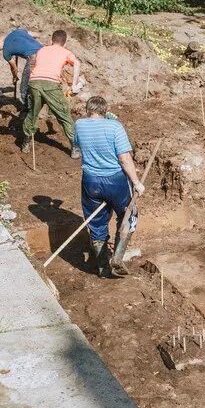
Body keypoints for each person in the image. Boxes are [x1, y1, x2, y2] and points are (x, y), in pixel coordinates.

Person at [74, 96, 144, 277]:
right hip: (115, 180)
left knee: (96, 223)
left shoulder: (79, 125)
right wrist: (136, 183)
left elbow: (77, 145)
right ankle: (118, 257)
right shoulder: (115, 127)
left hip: (90, 182)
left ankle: (102, 267)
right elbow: (124, 158)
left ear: (88, 109)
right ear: (105, 110)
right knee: (129, 214)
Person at [22, 30, 80, 157]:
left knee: (33, 112)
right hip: (51, 85)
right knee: (64, 114)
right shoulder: (65, 52)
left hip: (34, 82)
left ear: (52, 40)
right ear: (64, 43)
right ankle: (75, 147)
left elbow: (34, 63)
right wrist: (74, 84)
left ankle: (26, 142)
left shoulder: (42, 50)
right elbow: (76, 63)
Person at [0, 28, 42, 113]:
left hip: (33, 58)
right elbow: (37, 34)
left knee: (24, 88)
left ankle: (27, 112)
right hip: (45, 52)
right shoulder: (17, 31)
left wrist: (15, 76)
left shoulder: (6, 51)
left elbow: (14, 68)